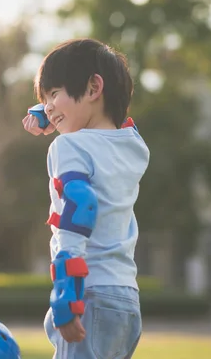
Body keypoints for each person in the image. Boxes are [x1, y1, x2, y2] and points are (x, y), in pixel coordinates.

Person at [22, 38, 150, 359]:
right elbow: (112, 122)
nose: (49, 106)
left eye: (54, 94)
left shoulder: (68, 147)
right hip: (124, 297)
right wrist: (50, 111)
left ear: (94, 87)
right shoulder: (134, 148)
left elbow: (79, 211)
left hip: (88, 292)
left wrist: (67, 297)